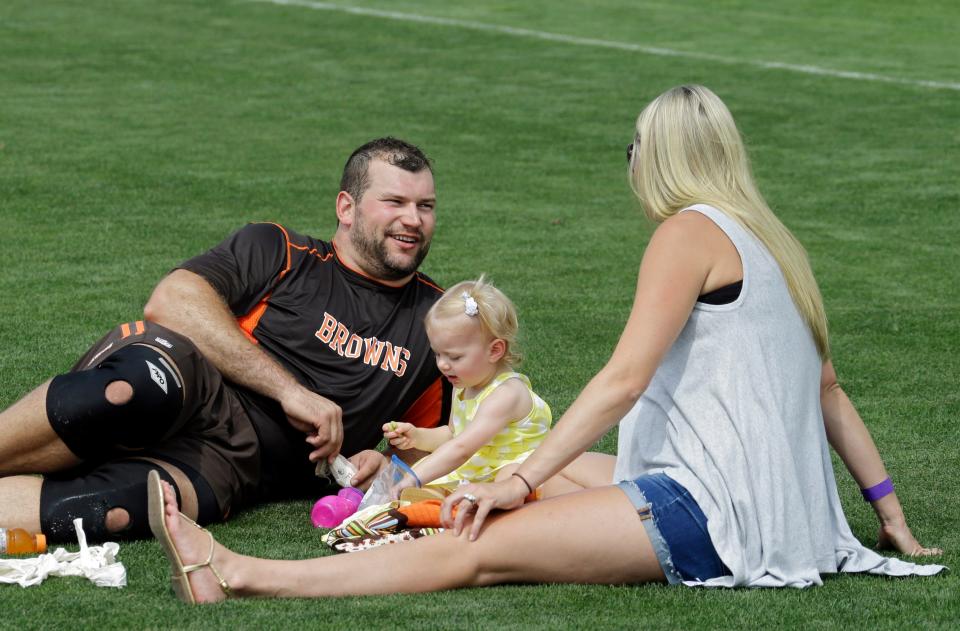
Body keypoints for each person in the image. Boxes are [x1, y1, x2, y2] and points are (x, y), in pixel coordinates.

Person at [149, 85, 943, 603]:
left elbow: (624, 379)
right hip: (788, 511)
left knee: (476, 540)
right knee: (522, 473)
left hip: (713, 510)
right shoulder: (776, 240)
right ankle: (456, 485)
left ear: (656, 160)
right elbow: (829, 391)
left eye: (636, 148)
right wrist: (888, 514)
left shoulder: (687, 233)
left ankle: (243, 571)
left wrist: (516, 482)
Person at [0, 137, 451, 543]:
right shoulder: (281, 251)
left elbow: (428, 447)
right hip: (195, 387)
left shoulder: (438, 320)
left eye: (425, 206)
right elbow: (171, 301)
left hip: (233, 465)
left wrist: (383, 472)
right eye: (394, 202)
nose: (412, 220)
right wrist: (290, 391)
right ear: (347, 208)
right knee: (132, 388)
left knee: (116, 512)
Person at [383, 277, 552, 496]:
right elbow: (453, 435)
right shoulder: (463, 385)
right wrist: (417, 437)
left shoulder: (506, 394)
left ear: (494, 350)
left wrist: (414, 477)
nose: (442, 364)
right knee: (428, 485)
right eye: (438, 354)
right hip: (480, 470)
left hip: (523, 473)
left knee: (508, 476)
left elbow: (462, 448)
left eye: (454, 356)